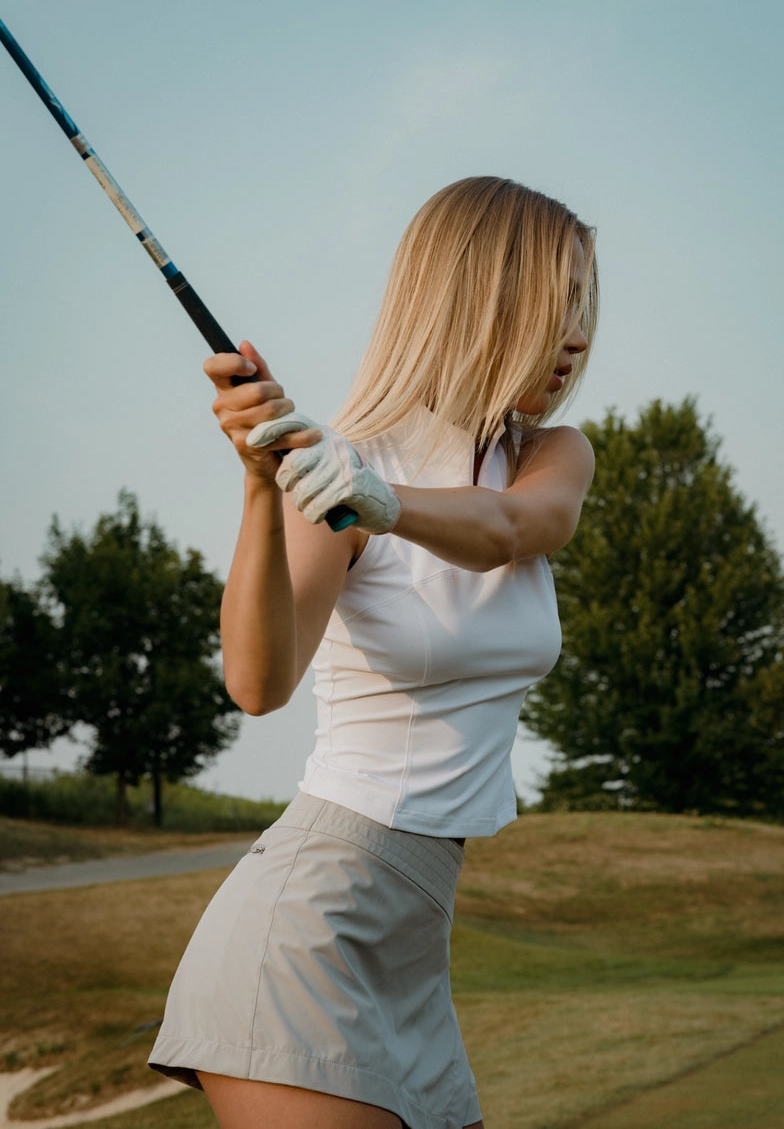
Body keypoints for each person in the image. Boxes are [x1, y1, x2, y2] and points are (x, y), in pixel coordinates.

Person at [149, 175, 599, 1129]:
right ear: (478, 299)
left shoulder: (549, 455)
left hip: (414, 943)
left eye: (585, 306)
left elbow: (520, 527)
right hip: (309, 922)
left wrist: (383, 504)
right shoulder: (342, 468)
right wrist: (264, 490)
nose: (576, 335)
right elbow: (258, 683)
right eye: (556, 303)